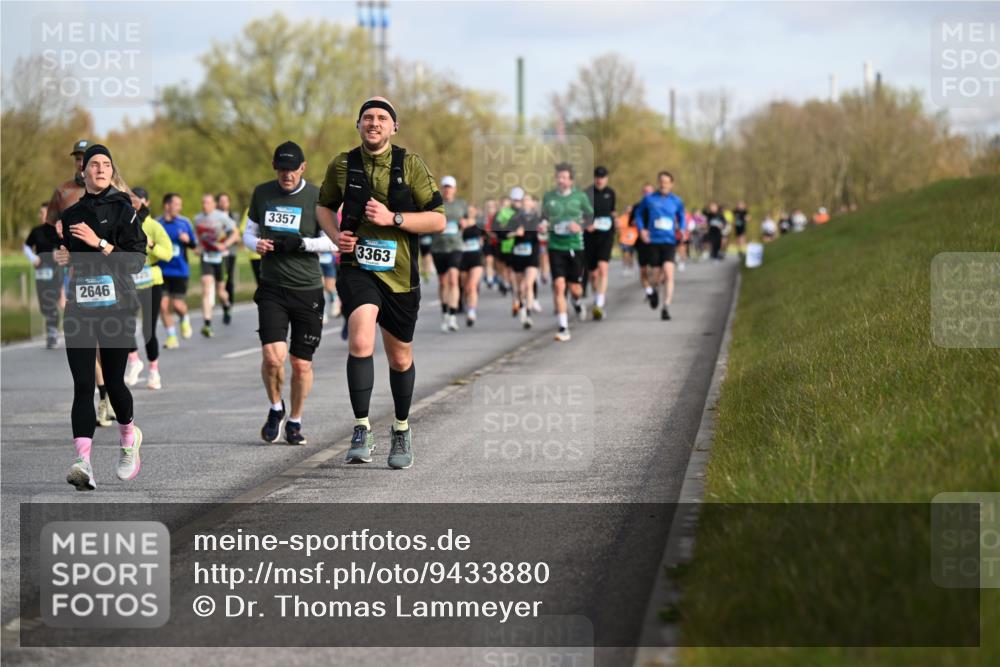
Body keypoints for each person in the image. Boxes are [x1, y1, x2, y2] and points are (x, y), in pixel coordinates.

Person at [316, 97, 445, 469]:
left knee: (400, 357)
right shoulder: (342, 164)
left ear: (394, 127)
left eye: (382, 118)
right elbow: (324, 206)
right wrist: (335, 234)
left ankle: (401, 429)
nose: (374, 123)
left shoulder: (411, 165)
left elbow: (437, 220)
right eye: (368, 118)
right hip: (358, 268)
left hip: (401, 275)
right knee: (360, 339)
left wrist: (394, 219)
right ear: (358, 124)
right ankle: (361, 427)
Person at [53, 144, 147, 490]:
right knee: (82, 385)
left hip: (117, 308)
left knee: (114, 381)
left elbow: (135, 262)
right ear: (84, 172)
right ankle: (83, 463)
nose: (100, 169)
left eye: (106, 164)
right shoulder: (72, 214)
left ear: (112, 171)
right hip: (80, 307)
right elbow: (75, 259)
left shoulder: (126, 210)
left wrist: (99, 243)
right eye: (94, 164)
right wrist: (65, 257)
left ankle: (127, 438)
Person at [243, 141, 335, 446]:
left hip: (307, 289)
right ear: (275, 167)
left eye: (292, 169)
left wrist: (303, 243)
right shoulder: (262, 193)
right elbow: (248, 231)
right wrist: (255, 245)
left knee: (300, 364)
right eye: (282, 169)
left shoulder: (317, 196)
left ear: (303, 168)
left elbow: (334, 242)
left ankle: (294, 420)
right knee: (272, 358)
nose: (287, 175)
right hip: (271, 286)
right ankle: (275, 407)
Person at [124, 187, 172, 390]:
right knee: (123, 324)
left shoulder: (154, 226)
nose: (136, 204)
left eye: (139, 200)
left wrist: (151, 245)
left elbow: (168, 254)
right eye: (132, 200)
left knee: (148, 329)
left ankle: (154, 371)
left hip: (151, 282)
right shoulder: (125, 224)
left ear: (147, 203)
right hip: (130, 282)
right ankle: (134, 361)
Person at [541, 163, 593, 342]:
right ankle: (563, 327)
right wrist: (543, 224)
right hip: (555, 246)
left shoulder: (580, 197)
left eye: (564, 177)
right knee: (558, 286)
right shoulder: (548, 197)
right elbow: (544, 217)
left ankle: (577, 302)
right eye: (558, 177)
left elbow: (590, 217)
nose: (561, 180)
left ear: (571, 180)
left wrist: (580, 226)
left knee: (575, 289)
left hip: (575, 247)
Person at [634, 171, 685, 321]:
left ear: (671, 184)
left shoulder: (676, 201)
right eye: (661, 181)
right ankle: (655, 289)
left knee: (669, 273)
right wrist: (642, 229)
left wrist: (682, 229)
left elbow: (681, 216)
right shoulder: (649, 199)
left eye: (666, 181)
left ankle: (666, 307)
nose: (663, 184)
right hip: (654, 241)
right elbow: (638, 214)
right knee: (656, 275)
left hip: (669, 241)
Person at [194, 193, 239, 337]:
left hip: (221, 257)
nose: (204, 205)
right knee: (206, 288)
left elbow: (236, 233)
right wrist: (198, 247)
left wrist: (224, 244)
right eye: (202, 203)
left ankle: (226, 305)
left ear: (214, 204)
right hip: (206, 256)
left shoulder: (221, 216)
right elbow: (197, 236)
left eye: (207, 203)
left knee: (221, 291)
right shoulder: (198, 218)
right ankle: (207, 324)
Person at [156, 193, 196, 348]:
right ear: (167, 205)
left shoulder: (184, 222)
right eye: (176, 204)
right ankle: (171, 336)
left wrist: (188, 240)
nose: (179, 208)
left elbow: (194, 245)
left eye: (180, 204)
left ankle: (184, 319)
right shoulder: (157, 224)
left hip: (180, 270)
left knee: (178, 305)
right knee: (163, 305)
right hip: (162, 271)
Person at [24, 203, 64, 349]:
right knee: (44, 305)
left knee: (50, 301)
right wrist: (32, 258)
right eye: (40, 213)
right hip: (41, 272)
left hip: (55, 271)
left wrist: (58, 254)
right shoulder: (36, 231)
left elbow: (67, 247)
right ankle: (53, 327)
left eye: (44, 213)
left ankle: (52, 333)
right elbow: (26, 246)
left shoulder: (58, 231)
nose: (41, 216)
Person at [431, 175, 467, 333]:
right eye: (445, 186)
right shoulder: (435, 204)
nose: (447, 189)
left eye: (450, 187)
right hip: (439, 247)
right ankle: (445, 312)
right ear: (442, 188)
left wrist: (465, 223)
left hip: (456, 246)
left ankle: (452, 315)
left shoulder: (461, 204)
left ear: (455, 189)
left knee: (453, 279)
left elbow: (467, 220)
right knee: (443, 282)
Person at [583, 166, 616, 320]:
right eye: (597, 177)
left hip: (606, 235)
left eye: (602, 177)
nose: (600, 179)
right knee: (593, 273)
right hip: (590, 236)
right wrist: (586, 224)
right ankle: (597, 295)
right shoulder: (587, 193)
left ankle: (599, 303)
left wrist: (615, 221)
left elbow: (612, 212)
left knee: (603, 268)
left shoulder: (611, 193)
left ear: (606, 178)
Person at [509, 194, 543, 329]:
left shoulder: (538, 218)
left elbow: (544, 233)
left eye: (528, 201)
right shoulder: (515, 218)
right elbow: (503, 234)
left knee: (528, 285)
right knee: (519, 288)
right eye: (523, 201)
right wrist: (514, 233)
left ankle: (528, 314)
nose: (525, 203)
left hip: (532, 254)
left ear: (533, 203)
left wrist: (542, 230)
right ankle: (521, 306)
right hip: (518, 254)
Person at [459, 203, 485, 326]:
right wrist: (462, 228)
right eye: (468, 210)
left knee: (472, 286)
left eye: (472, 210)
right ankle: (466, 303)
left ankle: (471, 312)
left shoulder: (480, 225)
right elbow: (455, 238)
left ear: (475, 212)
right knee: (465, 287)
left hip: (476, 258)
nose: (470, 212)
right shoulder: (461, 223)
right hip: (463, 258)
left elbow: (486, 237)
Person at [630, 183, 656, 302]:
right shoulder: (637, 207)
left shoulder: (657, 205)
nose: (647, 194)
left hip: (655, 240)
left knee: (654, 269)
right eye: (645, 191)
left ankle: (653, 288)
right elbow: (630, 222)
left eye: (649, 191)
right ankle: (648, 291)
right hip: (641, 241)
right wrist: (636, 223)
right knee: (643, 269)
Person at [217, 192, 240, 316]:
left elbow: (238, 236)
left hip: (230, 252)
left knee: (229, 277)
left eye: (226, 201)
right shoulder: (213, 216)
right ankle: (223, 301)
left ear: (229, 203)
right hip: (217, 253)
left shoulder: (234, 216)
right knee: (219, 278)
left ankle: (229, 303)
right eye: (221, 201)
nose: (223, 203)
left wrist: (228, 240)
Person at [618, 208, 638, 278]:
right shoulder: (622, 218)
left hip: (633, 240)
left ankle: (631, 267)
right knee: (626, 254)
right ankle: (626, 267)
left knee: (631, 255)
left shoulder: (635, 218)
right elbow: (618, 226)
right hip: (624, 240)